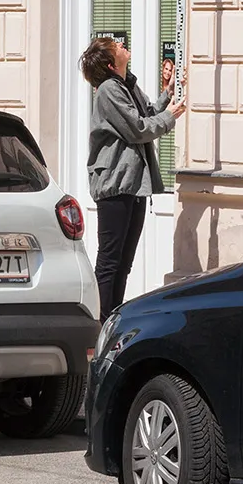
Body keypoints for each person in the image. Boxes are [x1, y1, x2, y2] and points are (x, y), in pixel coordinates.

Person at [80, 36, 184, 320]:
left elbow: (148, 112)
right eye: (117, 46)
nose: (123, 44)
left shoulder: (127, 85)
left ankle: (112, 318)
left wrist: (167, 93)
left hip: (134, 184)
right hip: (115, 184)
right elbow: (137, 128)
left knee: (124, 262)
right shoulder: (108, 91)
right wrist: (170, 116)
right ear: (111, 63)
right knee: (110, 261)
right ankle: (100, 322)